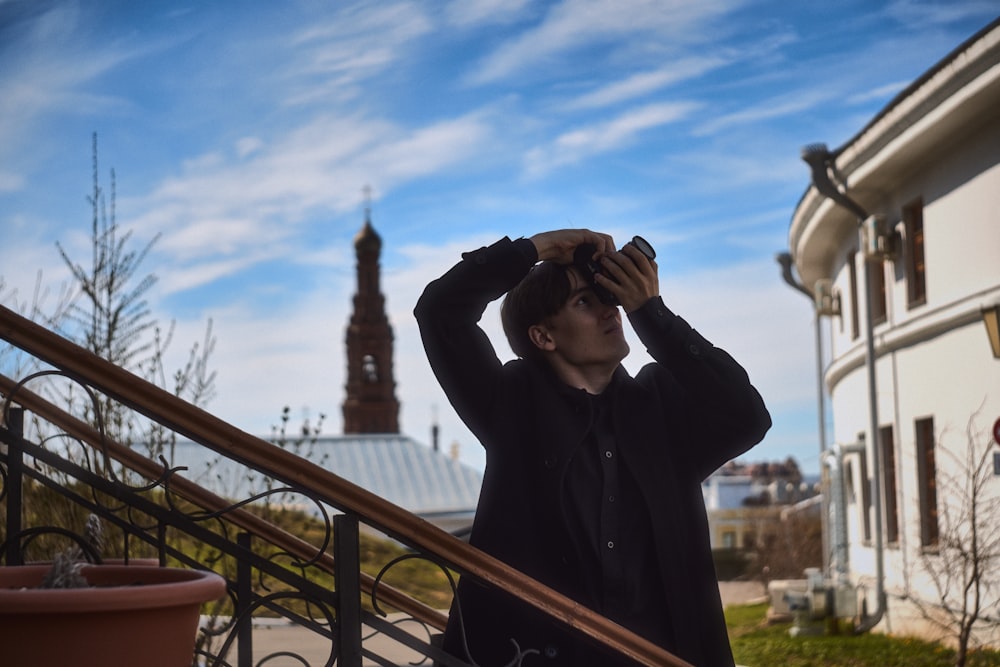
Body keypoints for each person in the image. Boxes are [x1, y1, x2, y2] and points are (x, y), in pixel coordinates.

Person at [414, 229, 771, 666]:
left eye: (609, 299)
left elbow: (747, 417)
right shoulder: (512, 402)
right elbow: (440, 311)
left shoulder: (661, 405)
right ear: (544, 336)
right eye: (585, 301)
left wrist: (651, 312)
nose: (610, 312)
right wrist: (537, 249)